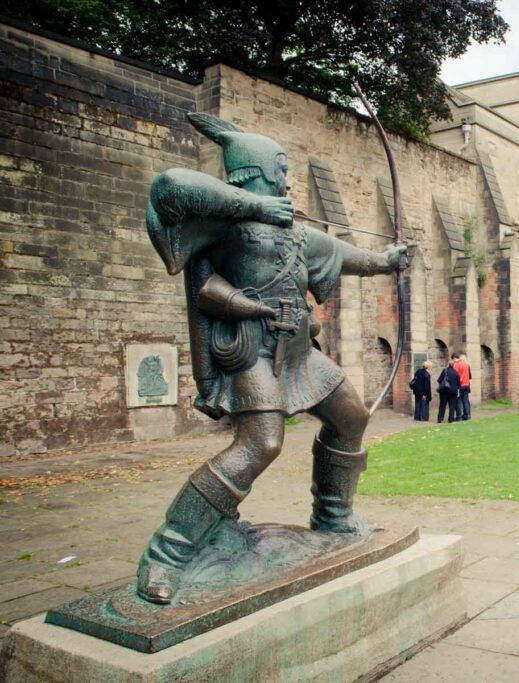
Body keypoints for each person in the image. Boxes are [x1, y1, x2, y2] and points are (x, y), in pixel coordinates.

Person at [137, 113, 406, 603]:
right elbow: (169, 188)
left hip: (299, 350)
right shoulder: (224, 223)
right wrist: (254, 205)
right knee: (261, 444)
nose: (284, 178)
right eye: (277, 168)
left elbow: (347, 256)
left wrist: (386, 261)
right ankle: (168, 554)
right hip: (252, 351)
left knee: (349, 416)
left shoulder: (295, 235)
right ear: (252, 171)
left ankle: (334, 517)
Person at [437, 359, 461, 423]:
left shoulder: (444, 371)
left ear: (448, 364)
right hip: (453, 392)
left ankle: (440, 418)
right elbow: (459, 384)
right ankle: (451, 419)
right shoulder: (456, 373)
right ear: (453, 365)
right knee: (452, 406)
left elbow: (439, 380)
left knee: (442, 405)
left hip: (444, 391)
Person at [453, 352, 472, 421]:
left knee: (458, 401)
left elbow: (455, 376)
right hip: (466, 384)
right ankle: (467, 415)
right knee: (466, 400)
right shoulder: (466, 364)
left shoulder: (456, 364)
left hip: (460, 384)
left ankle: (459, 416)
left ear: (455, 358)